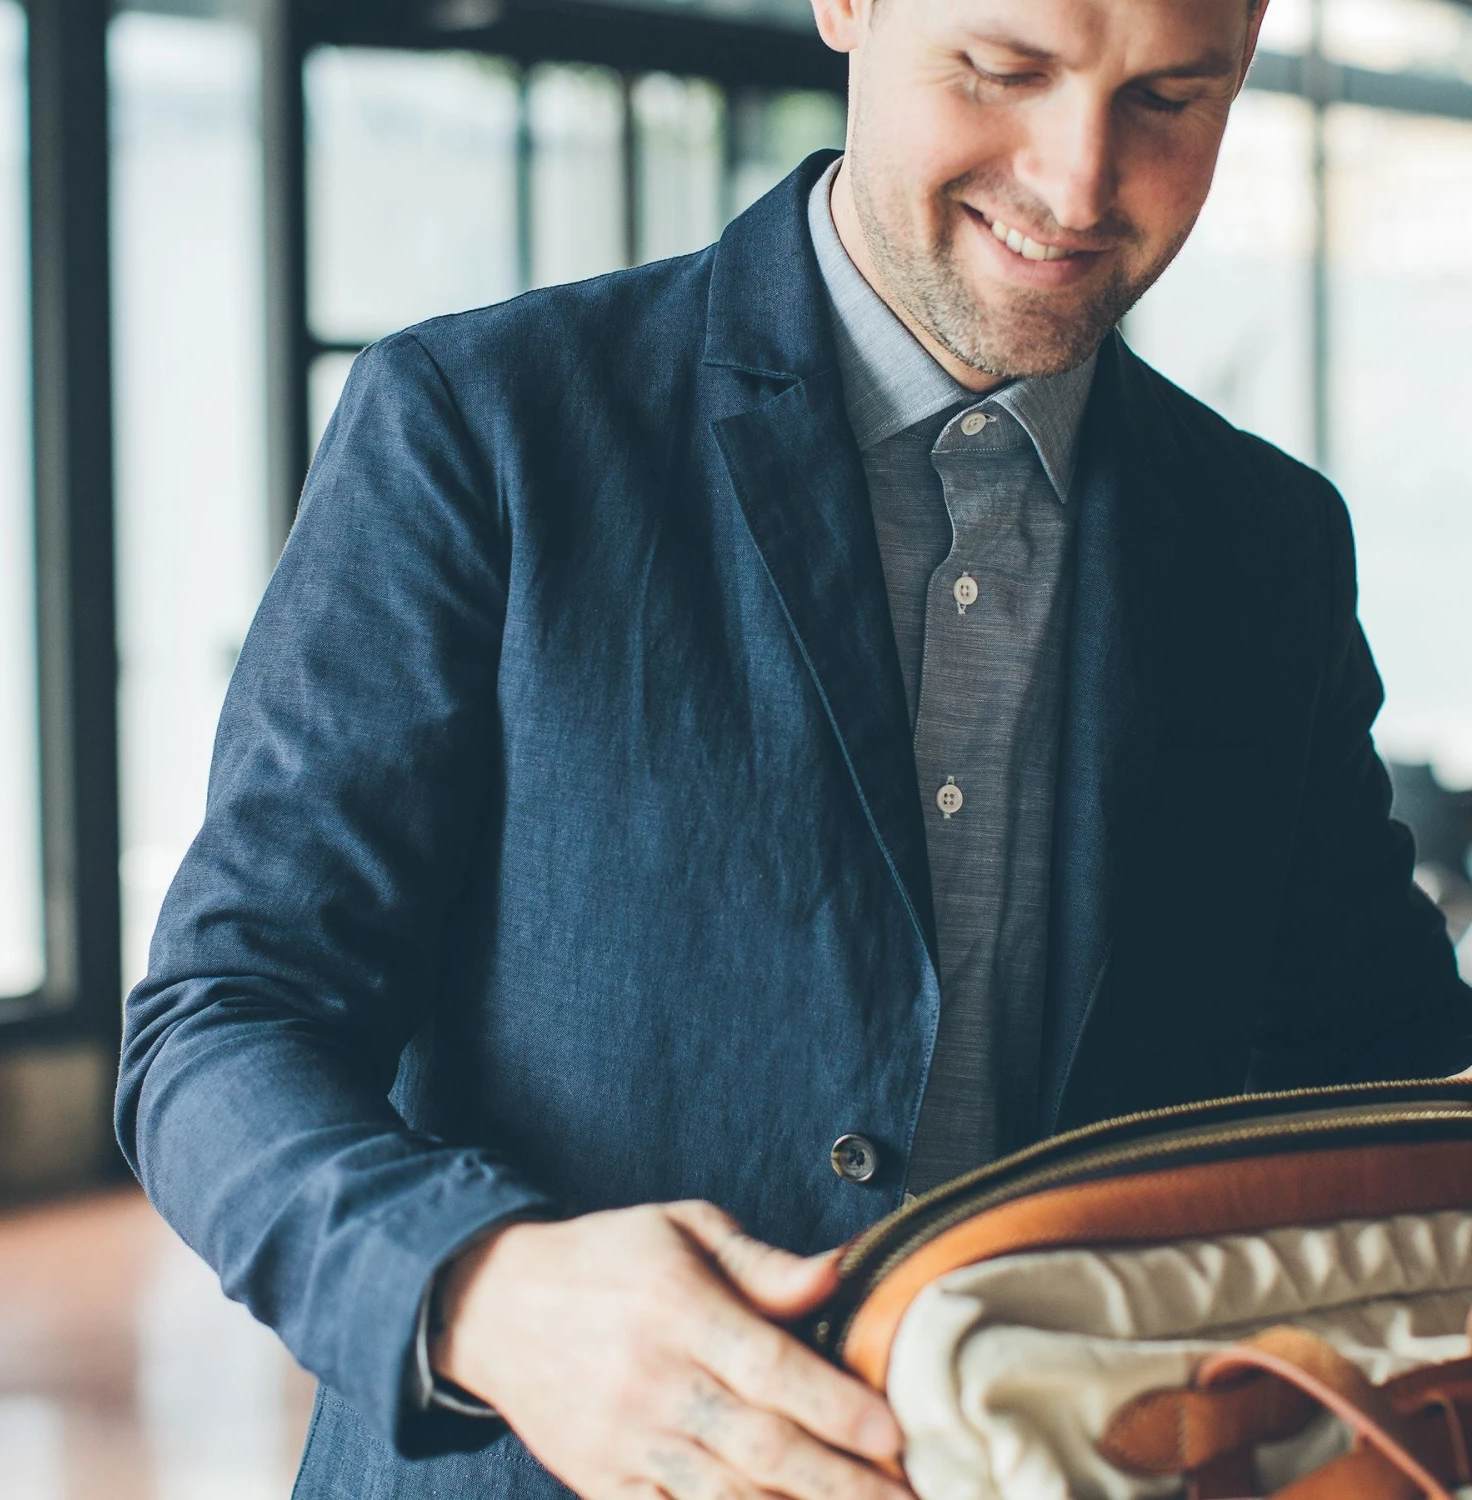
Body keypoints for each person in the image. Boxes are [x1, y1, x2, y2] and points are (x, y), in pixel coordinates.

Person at [116, 0, 1472, 1498]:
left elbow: (1388, 1069)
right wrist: (479, 1289)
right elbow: (225, 1021)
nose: (1079, 182)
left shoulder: (1267, 545)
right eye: (1004, 70)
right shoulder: (481, 424)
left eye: (1168, 99)